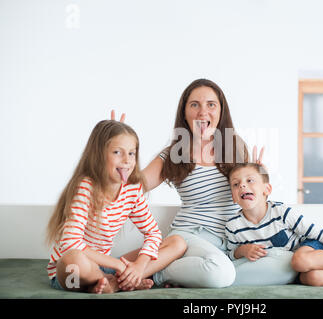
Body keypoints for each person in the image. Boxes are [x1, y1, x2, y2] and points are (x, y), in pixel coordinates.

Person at [111, 78, 265, 288]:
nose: (203, 112)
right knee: (221, 274)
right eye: (195, 105)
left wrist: (257, 183)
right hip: (190, 236)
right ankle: (155, 273)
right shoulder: (174, 154)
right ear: (184, 113)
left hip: (228, 242)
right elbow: (134, 185)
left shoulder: (236, 148)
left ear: (221, 111)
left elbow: (251, 203)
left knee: (282, 265)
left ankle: (168, 265)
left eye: (211, 104)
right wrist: (117, 152)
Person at [46, 120, 186, 294]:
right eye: (117, 152)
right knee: (74, 259)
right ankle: (113, 282)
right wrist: (119, 265)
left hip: (105, 267)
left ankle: (122, 281)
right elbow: (70, 243)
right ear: (99, 155)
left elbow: (153, 233)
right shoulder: (86, 187)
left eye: (131, 153)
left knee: (177, 243)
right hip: (72, 275)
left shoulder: (132, 190)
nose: (127, 160)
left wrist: (139, 265)